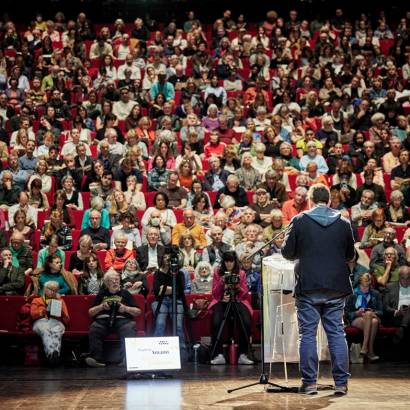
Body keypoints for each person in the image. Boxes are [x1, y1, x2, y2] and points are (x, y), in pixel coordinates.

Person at [281, 184, 355, 395]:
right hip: (335, 286)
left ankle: (310, 383)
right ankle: (341, 384)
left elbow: (288, 253)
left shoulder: (300, 220)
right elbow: (350, 255)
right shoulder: (343, 222)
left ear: (310, 200)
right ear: (329, 200)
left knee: (308, 335)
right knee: (336, 334)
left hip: (309, 286)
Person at [86, 270, 141, 367]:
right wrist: (101, 307)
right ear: (107, 283)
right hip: (103, 320)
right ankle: (96, 359)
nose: (115, 282)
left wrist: (125, 308)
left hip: (122, 320)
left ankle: (127, 359)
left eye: (117, 279)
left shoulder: (125, 293)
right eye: (112, 280)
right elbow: (90, 312)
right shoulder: (102, 294)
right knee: (94, 328)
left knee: (129, 328)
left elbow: (138, 311)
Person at [209, 251, 254, 365]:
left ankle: (243, 354)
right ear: (223, 262)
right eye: (227, 261)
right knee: (216, 321)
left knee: (246, 321)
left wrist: (237, 286)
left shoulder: (241, 273)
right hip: (221, 301)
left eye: (231, 261)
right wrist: (221, 282)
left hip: (238, 300)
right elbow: (214, 294)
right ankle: (218, 354)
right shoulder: (217, 272)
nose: (229, 264)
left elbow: (245, 294)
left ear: (235, 262)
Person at [152, 253, 187, 354]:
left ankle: (182, 350)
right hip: (160, 301)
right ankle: (156, 349)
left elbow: (180, 290)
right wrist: (172, 289)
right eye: (165, 257)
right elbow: (156, 291)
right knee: (160, 323)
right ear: (161, 259)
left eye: (169, 257)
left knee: (178, 325)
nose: (167, 259)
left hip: (177, 301)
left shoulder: (179, 273)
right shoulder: (157, 273)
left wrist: (165, 289)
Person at [30, 281, 70, 365]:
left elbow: (67, 320)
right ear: (44, 289)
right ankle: (52, 355)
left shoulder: (60, 300)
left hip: (56, 321)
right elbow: (33, 315)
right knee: (45, 330)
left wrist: (62, 312)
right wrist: (43, 311)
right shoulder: (37, 300)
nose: (52, 292)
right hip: (40, 321)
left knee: (57, 330)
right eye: (50, 289)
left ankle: (53, 356)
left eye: (55, 290)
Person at [345, 272, 383, 362]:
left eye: (367, 287)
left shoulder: (375, 294)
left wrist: (373, 313)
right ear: (359, 284)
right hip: (356, 319)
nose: (365, 289)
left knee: (371, 317)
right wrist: (356, 313)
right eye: (363, 286)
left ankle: (365, 347)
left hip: (373, 318)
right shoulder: (353, 294)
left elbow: (381, 312)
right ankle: (370, 351)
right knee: (372, 321)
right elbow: (347, 313)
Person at [383, 266, 410, 347]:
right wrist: (397, 312)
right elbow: (385, 306)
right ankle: (403, 327)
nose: (405, 281)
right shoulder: (390, 287)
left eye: (408, 278)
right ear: (399, 277)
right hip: (396, 317)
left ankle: (402, 328)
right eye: (403, 278)